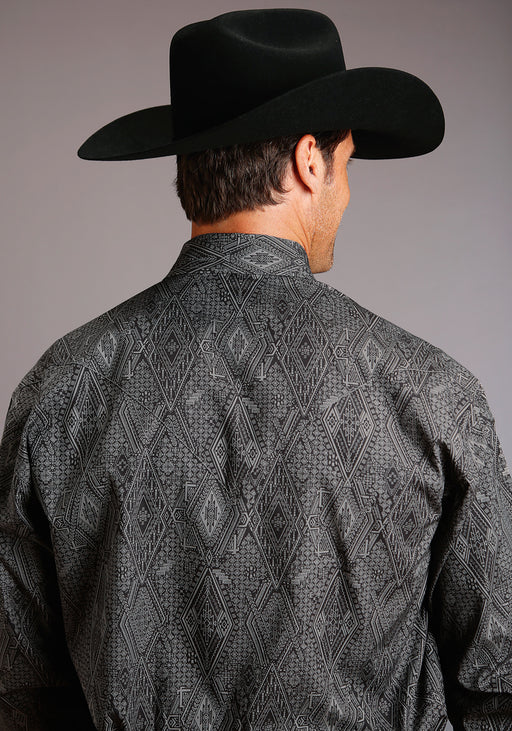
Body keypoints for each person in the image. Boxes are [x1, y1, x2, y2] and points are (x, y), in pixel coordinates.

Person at [0, 8, 510, 730]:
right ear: (310, 161)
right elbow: (498, 680)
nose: (347, 191)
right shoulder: (429, 393)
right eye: (346, 164)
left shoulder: (61, 389)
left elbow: (19, 694)